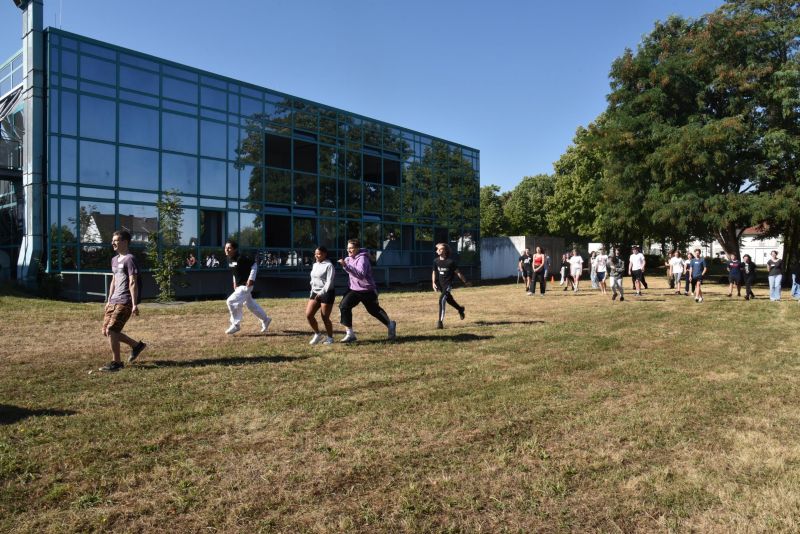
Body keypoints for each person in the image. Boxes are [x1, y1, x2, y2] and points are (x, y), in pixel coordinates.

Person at [99, 230, 146, 372]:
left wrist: (134, 304)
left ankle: (117, 363)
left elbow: (133, 282)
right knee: (106, 331)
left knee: (112, 330)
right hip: (114, 300)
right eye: (112, 240)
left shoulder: (130, 259)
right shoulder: (114, 259)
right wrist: (109, 299)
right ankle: (136, 346)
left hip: (125, 300)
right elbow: (114, 280)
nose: (112, 243)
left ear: (125, 242)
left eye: (116, 240)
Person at [338, 239, 396, 342]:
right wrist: (346, 265)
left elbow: (361, 274)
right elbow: (351, 271)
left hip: (367, 290)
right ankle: (350, 334)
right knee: (344, 306)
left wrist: (346, 266)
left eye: (351, 248)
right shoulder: (349, 258)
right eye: (347, 248)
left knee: (374, 310)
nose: (348, 250)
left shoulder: (363, 259)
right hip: (354, 289)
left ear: (357, 248)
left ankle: (390, 324)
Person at [224, 239, 271, 335]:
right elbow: (235, 272)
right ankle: (266, 320)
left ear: (235, 249)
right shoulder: (230, 259)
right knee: (251, 305)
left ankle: (235, 324)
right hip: (239, 286)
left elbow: (254, 265)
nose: (227, 250)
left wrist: (251, 279)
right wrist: (234, 282)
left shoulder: (241, 258)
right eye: (225, 248)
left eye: (229, 248)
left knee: (230, 301)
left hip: (246, 285)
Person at [432, 243, 467, 329]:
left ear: (445, 251)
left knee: (442, 300)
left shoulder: (450, 262)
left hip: (447, 285)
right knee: (449, 300)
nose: (438, 250)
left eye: (440, 249)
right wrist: (433, 283)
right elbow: (434, 272)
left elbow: (458, 273)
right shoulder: (436, 261)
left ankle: (440, 322)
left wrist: (465, 282)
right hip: (440, 285)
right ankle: (460, 309)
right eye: (437, 249)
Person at [306, 246, 335, 345]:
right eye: (315, 254)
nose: (316, 256)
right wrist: (312, 292)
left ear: (324, 254)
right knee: (309, 315)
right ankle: (317, 334)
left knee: (325, 317)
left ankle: (330, 338)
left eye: (318, 254)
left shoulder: (329, 265)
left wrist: (321, 293)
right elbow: (313, 280)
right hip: (315, 292)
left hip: (327, 293)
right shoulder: (315, 264)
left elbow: (329, 282)